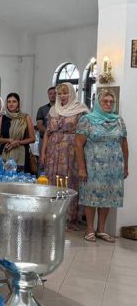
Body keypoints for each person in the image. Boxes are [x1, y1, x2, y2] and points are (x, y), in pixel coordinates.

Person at [75, 91, 128, 243]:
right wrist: (82, 168)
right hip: (93, 166)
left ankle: (101, 229)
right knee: (91, 196)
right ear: (98, 103)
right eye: (105, 101)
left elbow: (124, 144)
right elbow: (78, 145)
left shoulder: (119, 121)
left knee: (108, 197)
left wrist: (125, 166)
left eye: (111, 101)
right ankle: (89, 229)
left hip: (114, 166)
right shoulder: (87, 120)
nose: (108, 104)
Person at [41, 82, 89, 230]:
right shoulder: (53, 110)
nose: (62, 96)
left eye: (65, 93)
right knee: (52, 181)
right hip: (53, 151)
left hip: (71, 151)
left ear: (72, 93)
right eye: (60, 93)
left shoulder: (80, 110)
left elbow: (84, 134)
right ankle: (51, 215)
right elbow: (47, 132)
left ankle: (69, 217)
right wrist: (43, 152)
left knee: (69, 182)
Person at [0, 93, 35, 172]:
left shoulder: (25, 117)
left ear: (18, 104)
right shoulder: (2, 118)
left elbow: (32, 138)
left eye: (14, 101)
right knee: (4, 177)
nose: (11, 104)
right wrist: (9, 140)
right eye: (9, 101)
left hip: (22, 153)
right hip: (5, 152)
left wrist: (18, 142)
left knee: (21, 178)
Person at [36, 87, 56, 170]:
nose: (52, 95)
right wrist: (48, 132)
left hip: (57, 140)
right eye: (50, 93)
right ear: (48, 95)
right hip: (44, 138)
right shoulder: (42, 109)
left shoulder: (63, 109)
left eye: (54, 93)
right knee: (43, 161)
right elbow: (39, 125)